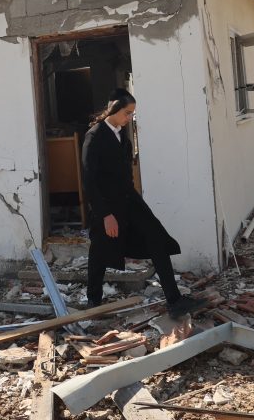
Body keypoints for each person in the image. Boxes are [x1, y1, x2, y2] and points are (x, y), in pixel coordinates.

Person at [82, 89, 206, 319]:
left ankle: (175, 300)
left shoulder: (122, 136)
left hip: (130, 201)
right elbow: (89, 181)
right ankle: (93, 301)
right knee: (99, 251)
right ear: (115, 110)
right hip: (107, 206)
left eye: (132, 114)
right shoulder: (95, 136)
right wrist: (105, 214)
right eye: (127, 113)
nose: (130, 118)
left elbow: (126, 175)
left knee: (157, 239)